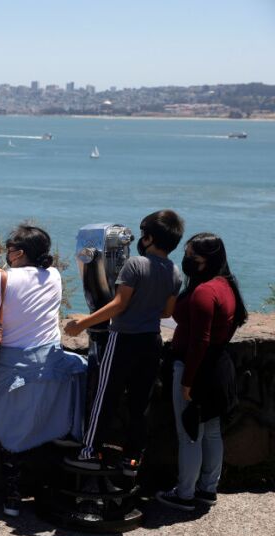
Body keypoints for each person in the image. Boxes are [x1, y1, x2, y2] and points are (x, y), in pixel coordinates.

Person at [0, 226, 87, 517]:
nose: (6, 253)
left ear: (19, 253)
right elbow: (19, 284)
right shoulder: (55, 275)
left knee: (10, 431)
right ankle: (47, 487)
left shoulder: (2, 280)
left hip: (14, 370)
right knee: (44, 428)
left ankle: (12, 496)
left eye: (10, 249)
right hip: (51, 367)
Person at [65, 209, 185, 475]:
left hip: (123, 340)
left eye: (143, 234)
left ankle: (89, 452)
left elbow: (119, 304)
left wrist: (81, 324)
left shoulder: (135, 265)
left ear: (150, 238)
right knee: (139, 403)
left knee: (104, 397)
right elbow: (167, 312)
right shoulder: (174, 272)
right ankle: (132, 459)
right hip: (152, 342)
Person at [156, 233, 247, 511]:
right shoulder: (227, 285)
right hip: (218, 367)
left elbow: (199, 341)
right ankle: (208, 489)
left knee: (189, 433)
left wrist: (187, 381)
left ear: (206, 261)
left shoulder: (204, 292)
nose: (186, 260)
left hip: (195, 368)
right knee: (211, 432)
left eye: (191, 256)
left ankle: (184, 494)